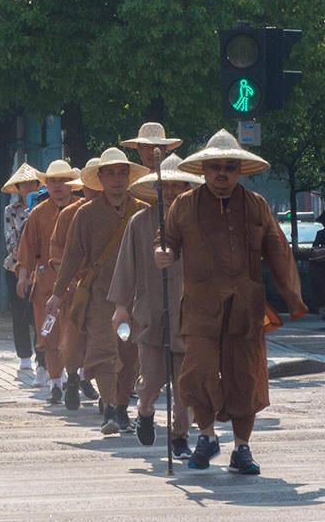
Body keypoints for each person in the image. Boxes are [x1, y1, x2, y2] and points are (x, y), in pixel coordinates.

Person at [155, 129, 308, 474]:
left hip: (246, 309)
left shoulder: (256, 205)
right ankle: (206, 437)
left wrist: (293, 298)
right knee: (198, 372)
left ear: (239, 170)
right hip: (200, 308)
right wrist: (162, 252)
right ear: (203, 171)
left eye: (229, 167)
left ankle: (242, 448)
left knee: (245, 377)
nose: (222, 174)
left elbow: (279, 251)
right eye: (215, 167)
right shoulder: (183, 206)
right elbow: (166, 240)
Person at [109, 154, 203, 458]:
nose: (173, 192)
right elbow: (126, 268)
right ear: (157, 189)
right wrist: (121, 307)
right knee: (150, 383)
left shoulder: (198, 222)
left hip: (188, 316)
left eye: (178, 186)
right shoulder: (140, 223)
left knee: (185, 385)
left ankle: (180, 436)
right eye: (167, 186)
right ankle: (145, 412)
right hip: (150, 316)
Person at [50, 148, 149, 434]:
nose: (117, 180)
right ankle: (108, 409)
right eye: (110, 174)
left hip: (134, 297)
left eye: (122, 173)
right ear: (100, 178)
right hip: (99, 296)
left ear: (128, 178)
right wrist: (56, 294)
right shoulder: (86, 213)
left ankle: (120, 408)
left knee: (129, 356)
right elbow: (70, 256)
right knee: (105, 353)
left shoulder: (142, 210)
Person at [15, 159, 77, 404]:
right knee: (49, 336)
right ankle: (55, 383)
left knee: (75, 334)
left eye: (62, 180)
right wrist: (22, 275)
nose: (57, 186)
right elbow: (27, 248)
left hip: (76, 285)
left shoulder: (83, 209)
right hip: (46, 287)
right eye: (52, 181)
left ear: (71, 183)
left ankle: (75, 377)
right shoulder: (38, 213)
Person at [48, 159, 102, 409]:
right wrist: (64, 283)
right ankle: (71, 379)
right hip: (76, 288)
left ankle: (110, 397)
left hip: (107, 289)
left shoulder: (123, 212)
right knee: (72, 338)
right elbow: (57, 251)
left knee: (106, 341)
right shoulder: (70, 213)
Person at [1, 163, 43, 377]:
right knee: (19, 313)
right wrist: (24, 265)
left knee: (39, 313)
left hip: (43, 268)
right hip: (16, 267)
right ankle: (24, 356)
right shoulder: (11, 210)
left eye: (32, 184)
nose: (28, 188)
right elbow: (11, 240)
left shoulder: (44, 208)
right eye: (23, 185)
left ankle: (41, 355)